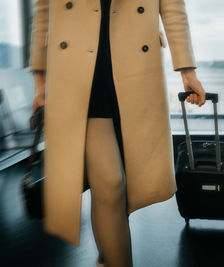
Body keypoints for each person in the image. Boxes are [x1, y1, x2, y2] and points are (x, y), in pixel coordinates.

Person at [30, 0, 206, 266]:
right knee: (111, 183)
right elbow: (44, 9)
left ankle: (107, 258)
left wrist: (187, 70)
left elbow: (172, 6)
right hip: (76, 72)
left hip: (134, 68)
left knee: (122, 190)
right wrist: (40, 78)